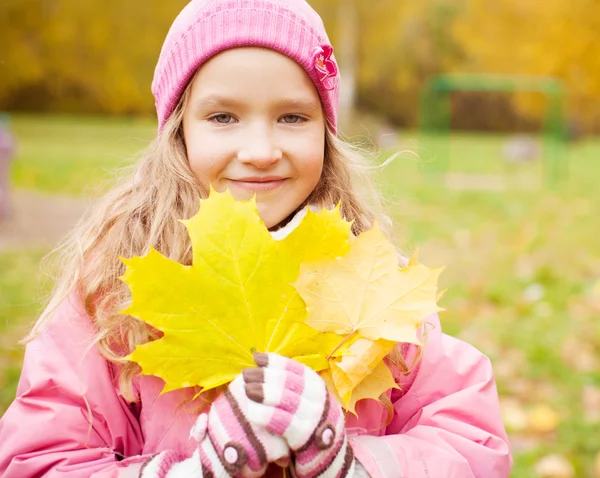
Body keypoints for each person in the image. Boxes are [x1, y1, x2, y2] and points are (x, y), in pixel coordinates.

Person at [0, 0, 512, 476]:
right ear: (179, 131)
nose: (262, 149)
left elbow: (471, 444)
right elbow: (39, 458)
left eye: (292, 117)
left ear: (325, 133)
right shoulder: (119, 288)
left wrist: (345, 461)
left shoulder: (370, 285)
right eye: (223, 117)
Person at [0, 114, 16, 221]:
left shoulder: (6, 138)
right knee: (4, 184)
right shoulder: (8, 138)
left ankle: (3, 210)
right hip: (5, 166)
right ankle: (4, 210)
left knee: (3, 185)